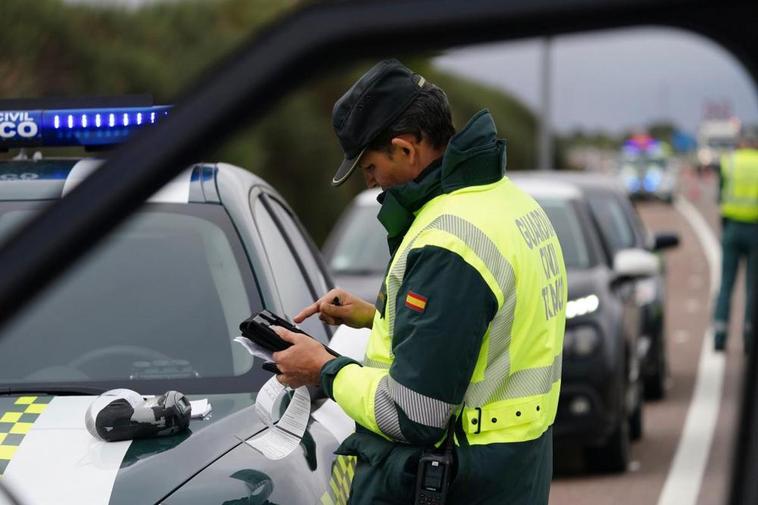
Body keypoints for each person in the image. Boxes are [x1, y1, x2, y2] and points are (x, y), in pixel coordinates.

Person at [271, 59, 567, 504]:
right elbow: (486, 337)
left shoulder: (450, 241)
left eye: (369, 168)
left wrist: (323, 369)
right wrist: (378, 318)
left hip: (462, 479)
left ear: (406, 150)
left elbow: (414, 412)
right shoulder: (512, 206)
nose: (370, 184)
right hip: (512, 468)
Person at [713, 126, 758, 353]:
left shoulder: (728, 161)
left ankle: (720, 336)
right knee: (753, 289)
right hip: (755, 232)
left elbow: (720, 195)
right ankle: (749, 337)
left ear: (740, 141)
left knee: (726, 285)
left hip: (731, 229)